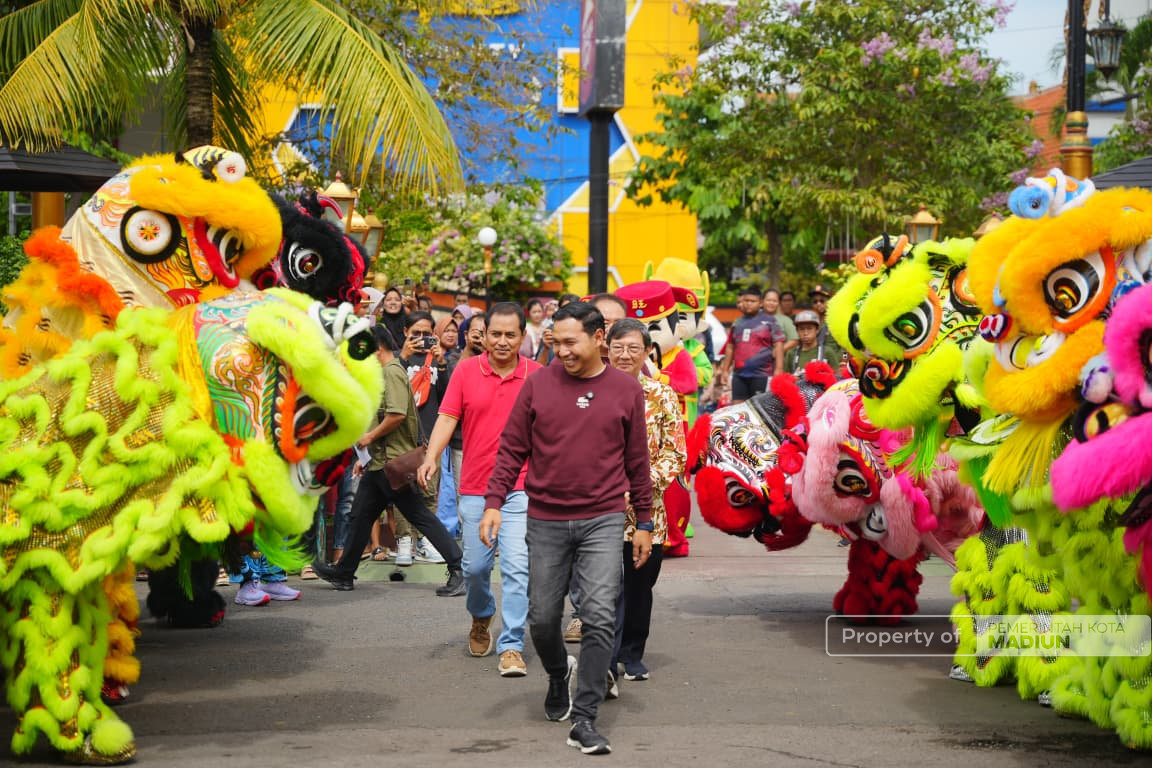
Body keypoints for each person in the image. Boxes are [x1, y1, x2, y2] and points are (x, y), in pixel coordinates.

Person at [481, 301, 653, 755]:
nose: (562, 351)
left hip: (603, 517)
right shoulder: (538, 385)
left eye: (571, 342)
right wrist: (494, 503)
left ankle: (585, 717)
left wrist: (646, 522)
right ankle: (559, 672)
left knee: (598, 616)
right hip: (546, 518)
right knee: (542, 618)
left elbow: (638, 462)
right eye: (556, 342)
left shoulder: (625, 389)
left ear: (599, 338)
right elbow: (512, 448)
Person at [416, 302, 541, 678]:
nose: (502, 341)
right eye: (495, 334)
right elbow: (448, 417)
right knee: (475, 568)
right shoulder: (466, 371)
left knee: (518, 568)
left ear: (522, 337)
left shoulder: (537, 376)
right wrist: (432, 457)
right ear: (484, 335)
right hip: (475, 486)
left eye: (510, 335)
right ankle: (482, 614)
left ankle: (512, 644)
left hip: (521, 487)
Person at [311, 325, 465, 595]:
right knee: (361, 514)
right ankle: (345, 573)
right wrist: (367, 456)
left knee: (419, 515)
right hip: (381, 463)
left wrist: (369, 438)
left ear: (377, 347)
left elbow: (396, 415)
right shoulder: (388, 372)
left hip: (393, 464)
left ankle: (458, 567)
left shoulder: (392, 372)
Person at [605, 319, 685, 682]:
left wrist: (640, 485)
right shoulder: (592, 392)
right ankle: (605, 655)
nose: (624, 355)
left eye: (632, 348)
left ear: (647, 352)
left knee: (641, 583)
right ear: (605, 349)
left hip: (646, 509)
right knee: (604, 585)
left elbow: (675, 452)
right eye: (617, 347)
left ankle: (632, 652)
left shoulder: (662, 395)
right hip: (600, 506)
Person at [398, 311, 451, 563]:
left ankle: (425, 541)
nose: (421, 338)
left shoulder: (439, 359)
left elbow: (448, 398)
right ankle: (405, 543)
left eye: (426, 334)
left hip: (431, 433)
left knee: (429, 491)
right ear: (405, 333)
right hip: (402, 436)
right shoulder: (397, 361)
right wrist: (403, 358)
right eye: (415, 333)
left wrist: (441, 363)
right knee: (402, 489)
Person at [716, 286, 785, 403]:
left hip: (761, 375)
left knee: (758, 410)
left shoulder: (770, 321)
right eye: (746, 301)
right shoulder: (738, 322)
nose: (748, 304)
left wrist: (779, 369)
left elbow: (779, 345)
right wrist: (725, 370)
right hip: (739, 375)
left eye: (752, 301)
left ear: (761, 303)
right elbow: (730, 347)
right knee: (737, 409)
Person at [784, 309, 844, 374]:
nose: (805, 333)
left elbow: (837, 377)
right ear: (797, 331)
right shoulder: (791, 354)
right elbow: (786, 378)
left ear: (817, 330)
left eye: (809, 328)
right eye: (801, 329)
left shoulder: (827, 352)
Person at [764, 289, 798, 353]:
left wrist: (775, 352)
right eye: (768, 300)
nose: (771, 303)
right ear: (762, 301)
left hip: (777, 359)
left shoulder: (786, 320)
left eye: (774, 301)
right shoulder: (755, 318)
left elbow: (794, 340)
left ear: (778, 303)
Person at [378, 286, 406, 352]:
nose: (393, 302)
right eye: (388, 300)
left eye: (397, 300)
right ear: (383, 303)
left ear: (401, 303)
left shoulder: (408, 324)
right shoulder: (378, 324)